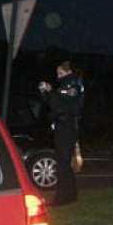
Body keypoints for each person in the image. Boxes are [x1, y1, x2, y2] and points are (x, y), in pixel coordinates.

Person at [39, 60, 84, 206]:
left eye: (61, 73)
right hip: (62, 128)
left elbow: (62, 106)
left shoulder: (73, 86)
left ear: (68, 72)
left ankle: (62, 197)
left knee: (62, 166)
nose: (58, 76)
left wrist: (51, 92)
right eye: (57, 73)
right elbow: (52, 104)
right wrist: (45, 92)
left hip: (67, 129)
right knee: (64, 164)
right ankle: (71, 195)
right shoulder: (63, 87)